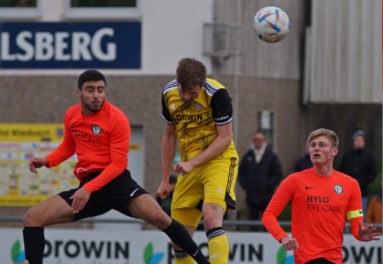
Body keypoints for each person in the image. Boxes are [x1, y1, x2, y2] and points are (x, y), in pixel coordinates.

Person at [24, 70, 209, 264]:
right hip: (89, 186)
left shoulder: (116, 118)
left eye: (101, 90)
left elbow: (118, 164)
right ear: (79, 93)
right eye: (90, 90)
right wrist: (48, 160)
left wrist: (88, 189)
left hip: (115, 182)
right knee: (33, 218)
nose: (96, 95)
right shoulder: (72, 114)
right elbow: (69, 146)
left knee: (160, 217)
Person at [158, 58, 239, 264]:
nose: (185, 97)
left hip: (219, 161)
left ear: (201, 85)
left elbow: (225, 138)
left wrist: (192, 163)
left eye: (192, 93)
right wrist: (165, 179)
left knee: (211, 215)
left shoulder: (217, 94)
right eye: (182, 90)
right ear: (177, 81)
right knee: (179, 237)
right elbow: (169, 136)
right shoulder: (168, 93)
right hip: (188, 167)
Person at [262, 128, 380, 264]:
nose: (315, 148)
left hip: (334, 260)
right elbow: (268, 215)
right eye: (313, 145)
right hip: (306, 259)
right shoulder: (294, 181)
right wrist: (282, 237)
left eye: (322, 145)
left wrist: (361, 234)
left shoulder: (351, 185)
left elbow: (356, 226)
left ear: (334, 151)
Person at [238, 132, 282, 231]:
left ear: (264, 141)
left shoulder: (271, 156)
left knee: (268, 221)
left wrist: (268, 185)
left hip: (267, 196)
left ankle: (268, 241)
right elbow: (241, 173)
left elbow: (278, 174)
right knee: (253, 223)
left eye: (260, 139)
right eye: (256, 140)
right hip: (252, 196)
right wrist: (246, 186)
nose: (258, 142)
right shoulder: (248, 156)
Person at [339, 130, 377, 216]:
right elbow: (340, 171)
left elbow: (373, 174)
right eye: (357, 140)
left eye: (361, 140)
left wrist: (363, 182)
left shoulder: (369, 157)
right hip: (346, 193)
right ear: (354, 141)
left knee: (359, 217)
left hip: (362, 193)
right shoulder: (347, 155)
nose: (359, 142)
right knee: (344, 217)